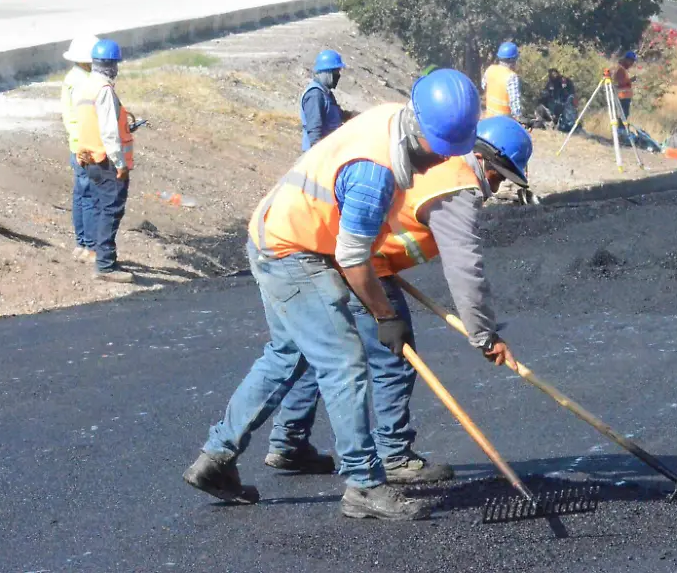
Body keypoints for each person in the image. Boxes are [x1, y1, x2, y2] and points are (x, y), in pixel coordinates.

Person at [183, 69, 513, 521]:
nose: (439, 163)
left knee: (285, 356)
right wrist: (384, 315)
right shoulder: (374, 172)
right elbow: (353, 258)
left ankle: (216, 458)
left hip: (276, 230)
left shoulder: (392, 119)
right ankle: (363, 485)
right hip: (293, 250)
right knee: (343, 362)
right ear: (423, 133)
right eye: (440, 152)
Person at [261, 115, 532, 484]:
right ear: (484, 159)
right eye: (500, 175)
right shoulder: (456, 186)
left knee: (319, 350)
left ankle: (289, 441)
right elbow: (466, 269)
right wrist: (484, 336)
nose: (497, 185)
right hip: (362, 263)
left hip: (338, 250)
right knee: (395, 355)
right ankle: (394, 455)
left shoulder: (437, 159)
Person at [74, 39, 137, 284]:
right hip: (107, 161)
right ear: (112, 65)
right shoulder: (104, 90)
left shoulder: (86, 87)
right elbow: (109, 131)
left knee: (101, 207)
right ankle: (106, 265)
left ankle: (103, 257)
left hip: (89, 158)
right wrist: (120, 163)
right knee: (111, 210)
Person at [61, 34, 100, 264]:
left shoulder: (72, 77)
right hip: (85, 146)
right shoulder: (84, 82)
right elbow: (86, 117)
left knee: (80, 195)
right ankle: (92, 247)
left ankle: (82, 243)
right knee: (91, 197)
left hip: (76, 144)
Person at [300, 49, 346, 151]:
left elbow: (334, 115)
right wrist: (318, 156)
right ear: (326, 72)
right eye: (335, 72)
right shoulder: (315, 95)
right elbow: (314, 129)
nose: (338, 75)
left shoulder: (326, 93)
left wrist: (353, 115)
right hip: (318, 155)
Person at [481, 41, 522, 121]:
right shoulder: (511, 77)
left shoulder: (490, 69)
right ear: (513, 60)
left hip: (488, 119)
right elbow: (515, 105)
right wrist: (519, 118)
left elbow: (483, 86)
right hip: (504, 123)